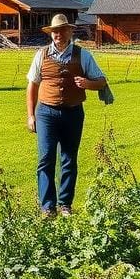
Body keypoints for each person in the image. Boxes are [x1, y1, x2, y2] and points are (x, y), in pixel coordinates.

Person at [25, 13, 107, 218]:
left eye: (62, 30)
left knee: (69, 158)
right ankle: (47, 207)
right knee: (45, 158)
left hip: (73, 112)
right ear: (51, 34)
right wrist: (31, 115)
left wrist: (88, 84)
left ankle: (65, 205)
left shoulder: (83, 55)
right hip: (46, 113)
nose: (58, 34)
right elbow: (32, 86)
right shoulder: (41, 55)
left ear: (70, 31)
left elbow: (101, 81)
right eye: (55, 31)